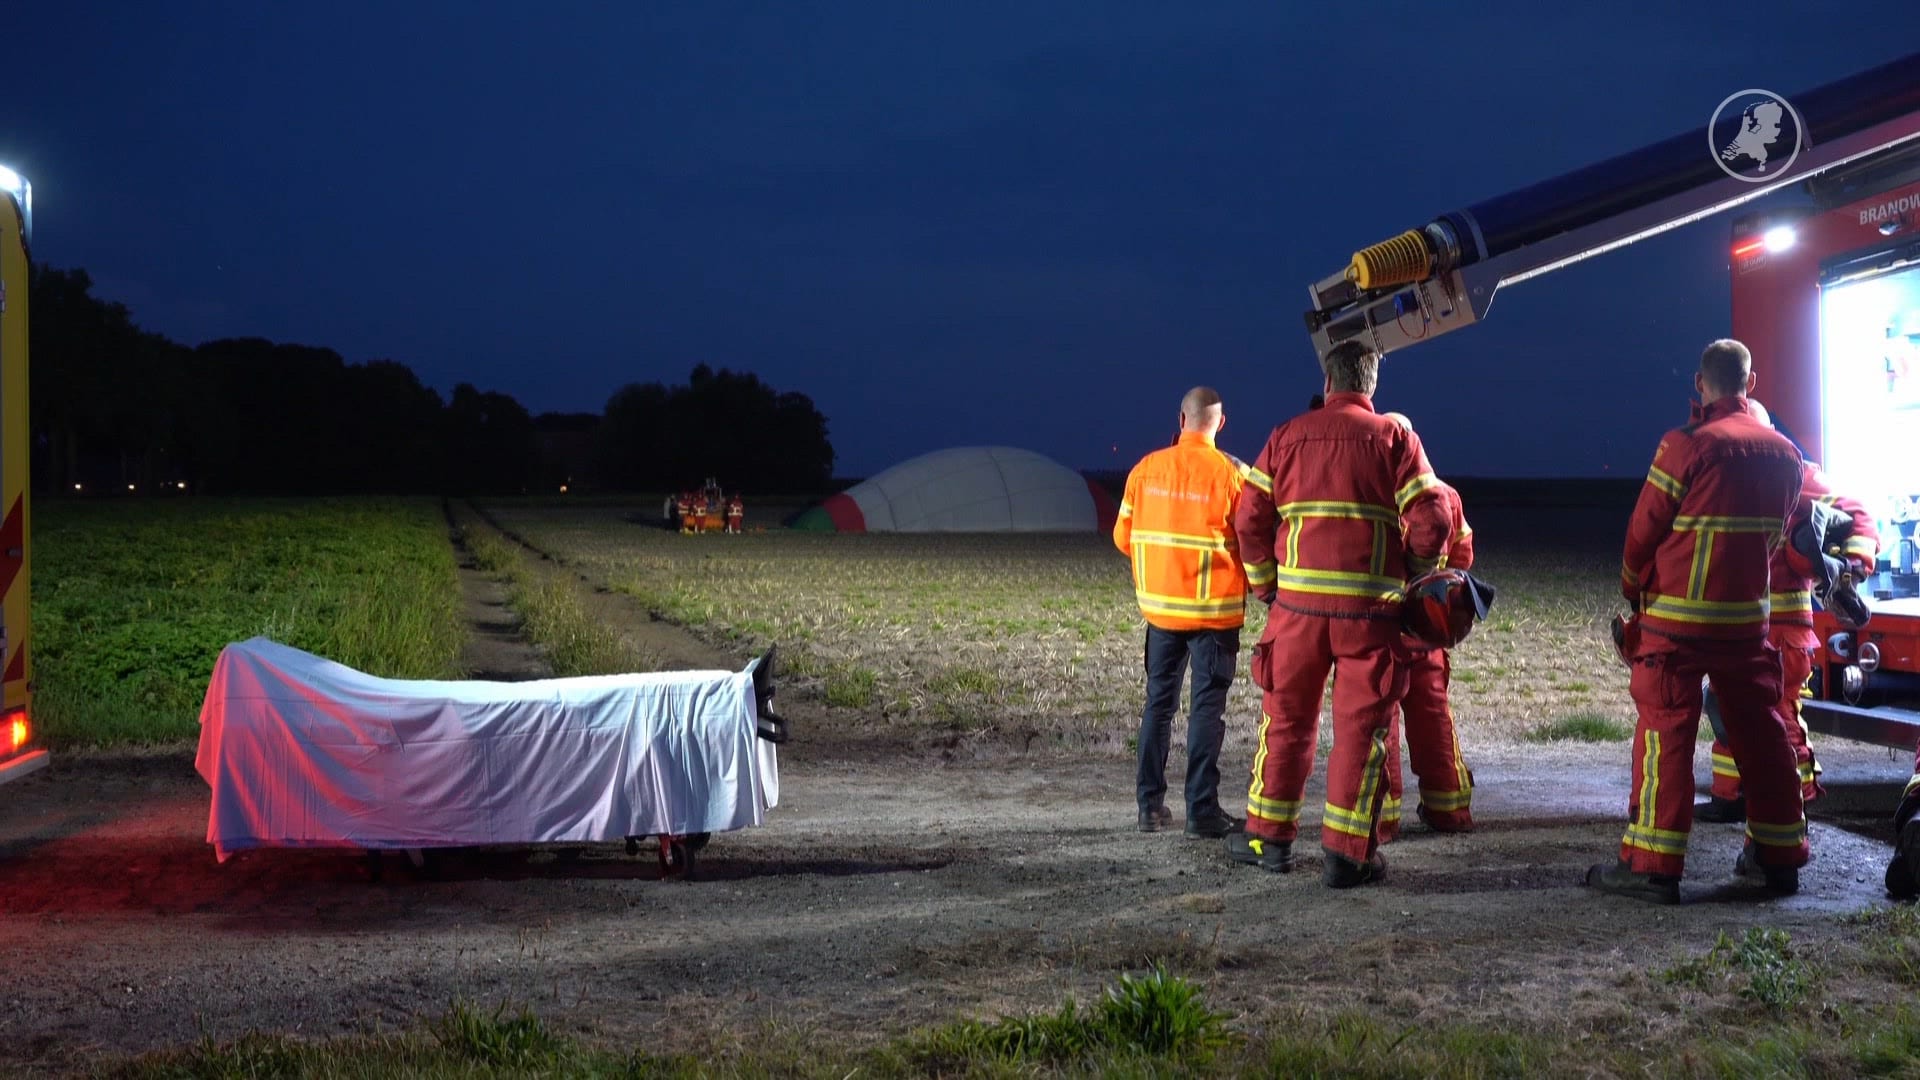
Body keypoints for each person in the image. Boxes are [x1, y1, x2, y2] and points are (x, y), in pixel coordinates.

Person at [1227, 342, 1450, 887]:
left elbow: (1249, 517)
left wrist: (1267, 585)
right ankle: (1348, 856)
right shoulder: (1396, 438)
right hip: (1370, 615)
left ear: (1327, 381)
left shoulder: (1286, 436)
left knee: (1286, 722)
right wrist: (1411, 575)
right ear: (1371, 385)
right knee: (1361, 732)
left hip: (1297, 612)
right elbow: (1435, 519)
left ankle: (1268, 840)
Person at [1591, 339, 1806, 904]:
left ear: (1699, 384)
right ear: (1750, 383)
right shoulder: (1787, 455)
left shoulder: (1685, 445)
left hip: (1677, 624)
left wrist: (1633, 586)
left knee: (1665, 735)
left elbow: (1644, 529)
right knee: (1763, 735)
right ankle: (1779, 858)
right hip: (1747, 625)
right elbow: (1777, 536)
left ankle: (1652, 868)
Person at [1697, 400, 1880, 822]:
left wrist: (1851, 569)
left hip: (1783, 630)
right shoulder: (1730, 477)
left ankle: (1794, 804)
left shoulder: (1796, 471)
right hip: (1742, 630)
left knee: (1779, 717)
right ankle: (1731, 797)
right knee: (1727, 706)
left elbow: (1857, 511)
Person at [1113, 386, 1250, 839]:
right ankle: (1201, 811)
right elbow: (1253, 539)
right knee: (1206, 711)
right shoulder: (1233, 475)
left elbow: (1122, 536)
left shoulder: (1145, 469)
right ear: (1220, 424)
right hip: (1214, 614)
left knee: (1158, 706)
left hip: (1161, 612)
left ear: (1181, 419)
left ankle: (1149, 807)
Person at [1375, 412, 1477, 837]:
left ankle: (1382, 818)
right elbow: (1462, 558)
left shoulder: (1374, 493)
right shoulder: (1445, 495)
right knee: (1433, 716)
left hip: (1381, 630)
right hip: (1428, 631)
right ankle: (1448, 809)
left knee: (1380, 722)